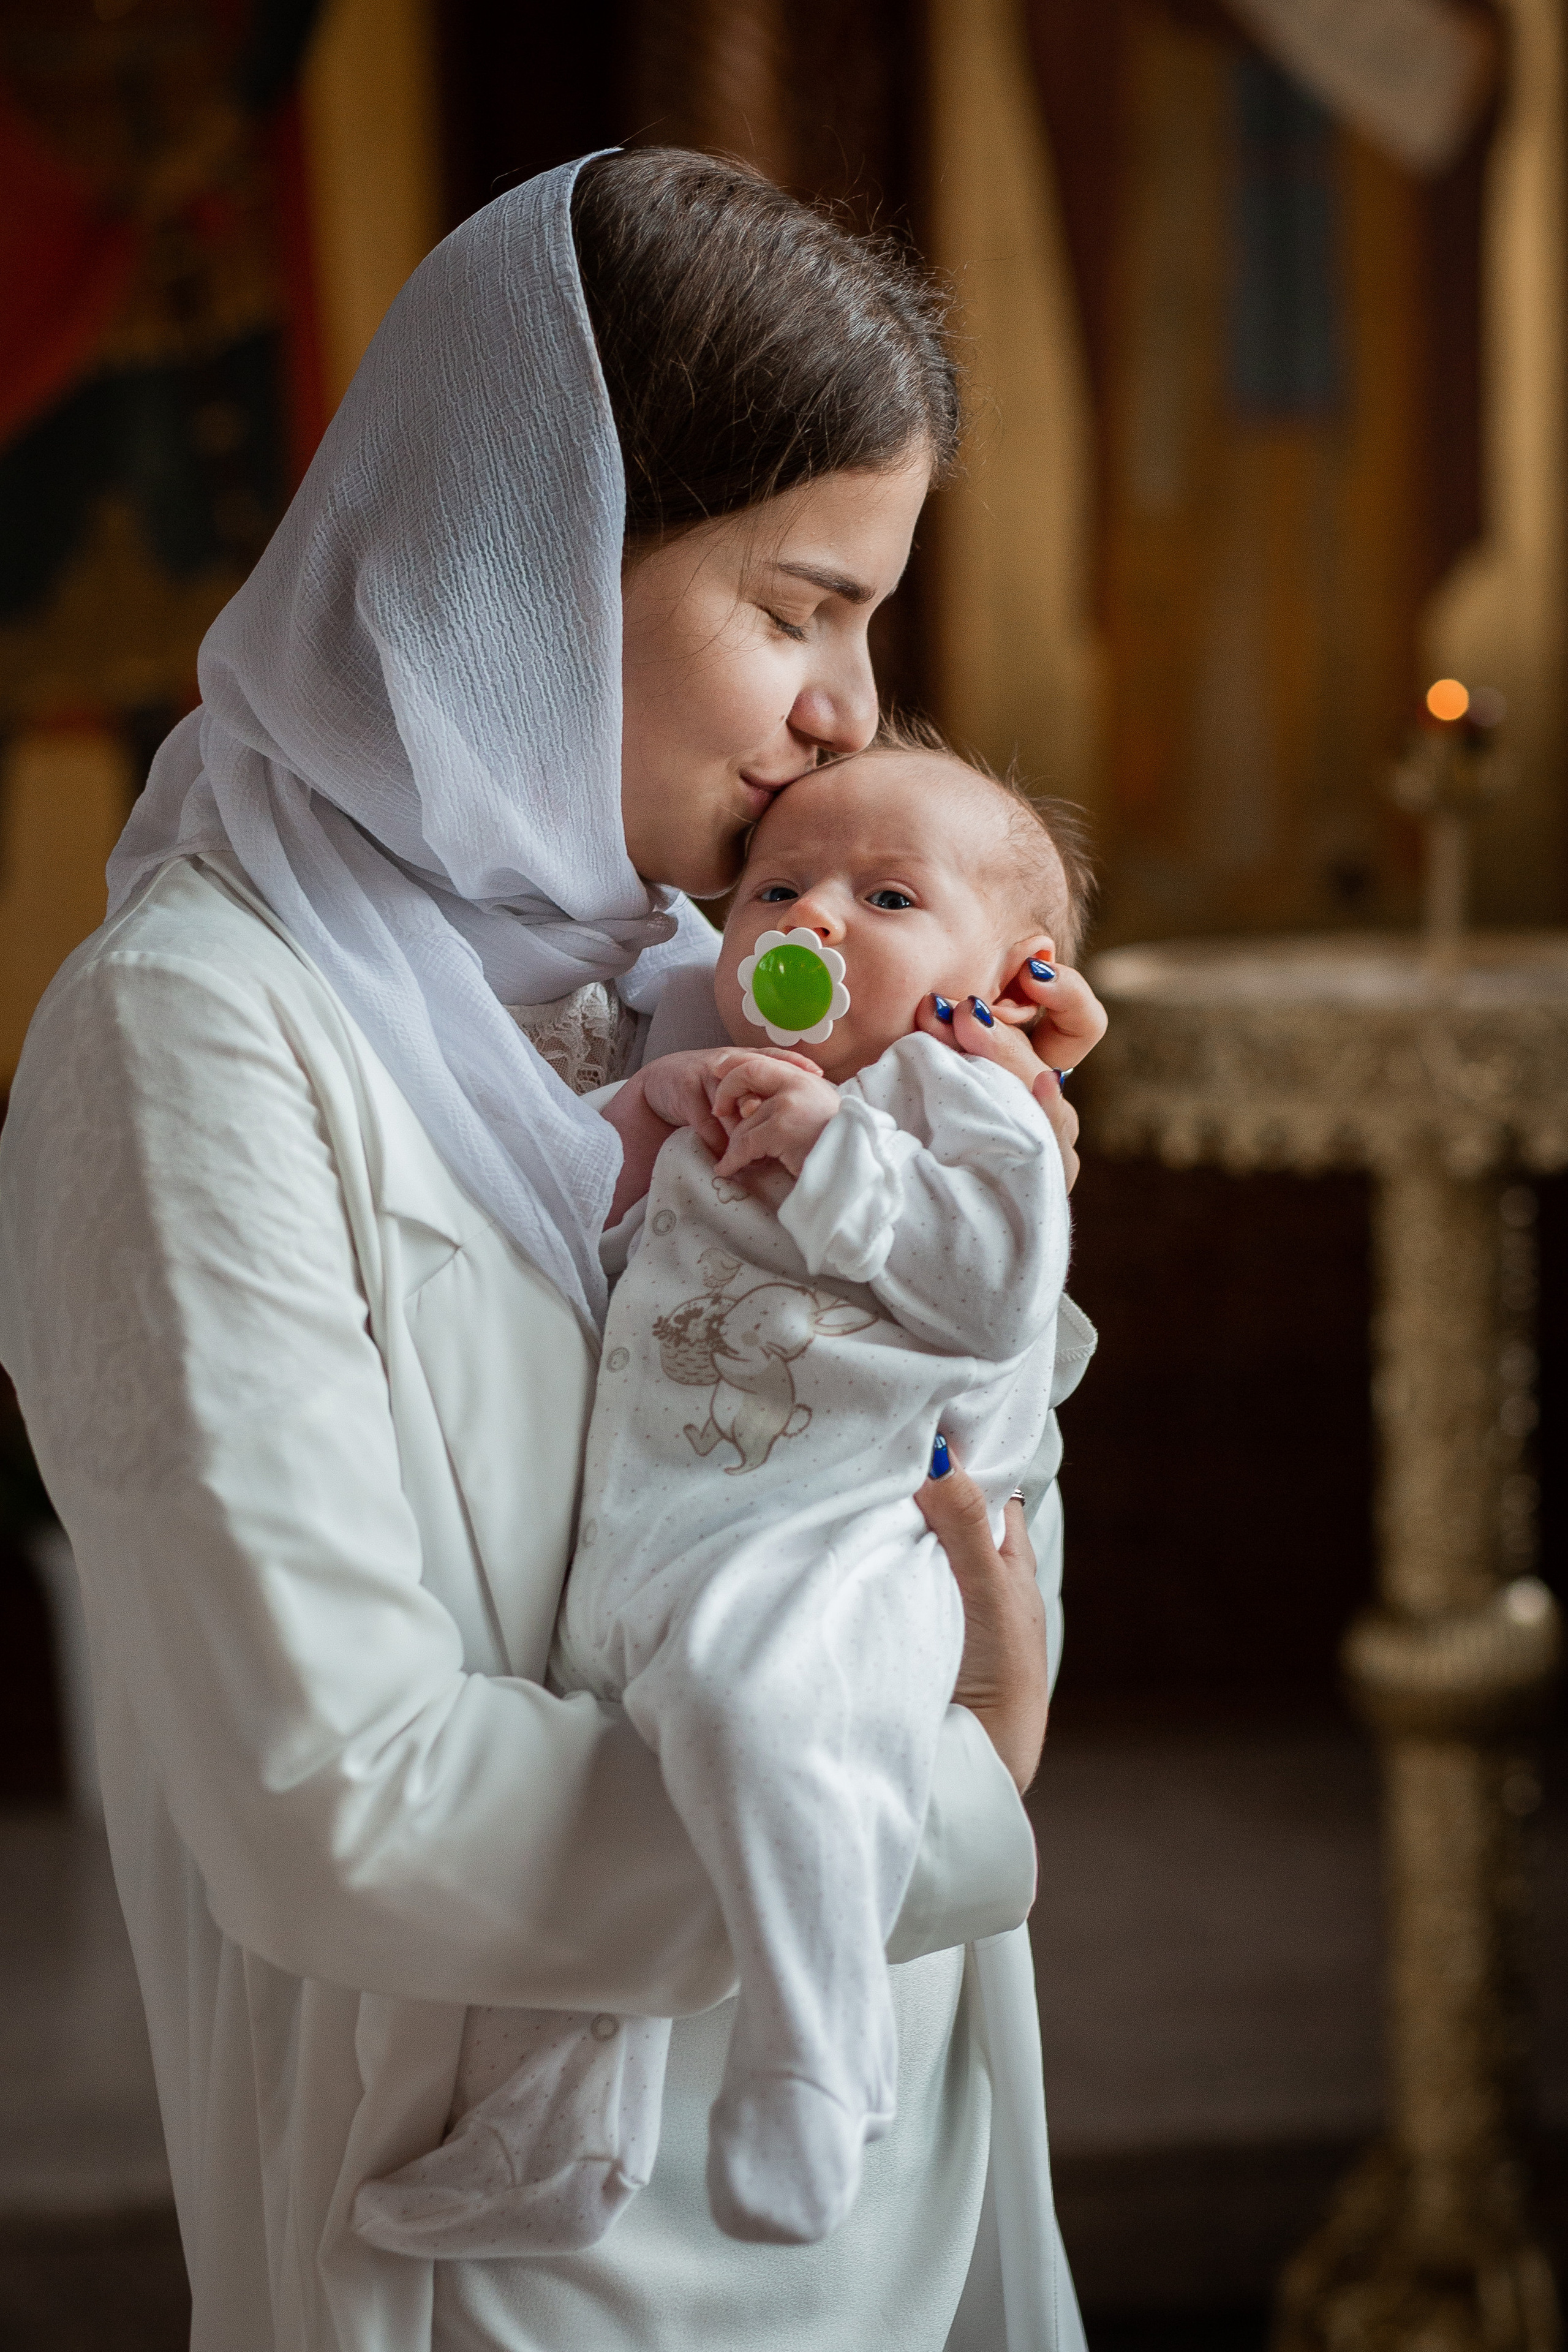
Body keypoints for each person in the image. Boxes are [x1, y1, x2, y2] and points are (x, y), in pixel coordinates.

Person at [0, 149, 1106, 2352]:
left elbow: (912, 1521)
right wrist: (964, 1793)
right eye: (796, 610)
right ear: (521, 557)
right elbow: (346, 1809)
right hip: (510, 2272)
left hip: (897, 2192)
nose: (851, 711)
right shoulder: (197, 1036)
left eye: (867, 624)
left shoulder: (714, 985)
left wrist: (988, 1178)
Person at [353, 736, 1099, 2267]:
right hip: (655, 1534)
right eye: (775, 888)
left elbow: (994, 1290)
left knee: (754, 1716)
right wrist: (651, 1107)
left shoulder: (957, 1095)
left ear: (1003, 981)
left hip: (837, 1542)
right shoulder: (730, 1082)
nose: (810, 918)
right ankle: (551, 2136)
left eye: (886, 897)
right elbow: (571, 1254)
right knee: (605, 1815)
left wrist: (834, 1156)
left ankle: (819, 2057)